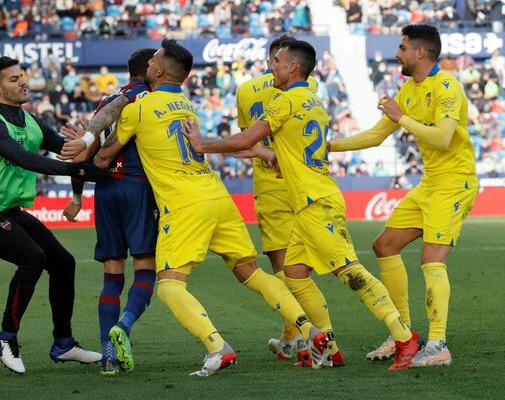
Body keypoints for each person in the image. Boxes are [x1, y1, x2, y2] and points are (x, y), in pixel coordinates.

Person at [92, 39, 331, 376]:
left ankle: (217, 347)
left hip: (185, 204)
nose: (151, 61)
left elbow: (103, 156)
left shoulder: (138, 109)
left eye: (155, 58)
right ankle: (311, 331)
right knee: (251, 271)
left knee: (170, 286)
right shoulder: (187, 106)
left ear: (158, 70)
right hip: (217, 196)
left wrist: (80, 151)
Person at [183, 39, 420, 371]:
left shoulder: (283, 101)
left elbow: (247, 137)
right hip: (311, 200)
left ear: (293, 66)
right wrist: (267, 155)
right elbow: (283, 151)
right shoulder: (313, 99)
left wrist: (203, 145)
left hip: (315, 201)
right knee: (293, 275)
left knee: (349, 270)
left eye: (277, 61)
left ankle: (404, 337)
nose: (272, 66)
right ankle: (331, 348)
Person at [329, 24, 477, 367]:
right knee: (385, 245)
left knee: (431, 260)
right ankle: (403, 333)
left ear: (420, 53)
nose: (398, 53)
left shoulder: (447, 87)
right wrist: (329, 146)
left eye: (402, 47)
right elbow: (377, 134)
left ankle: (438, 344)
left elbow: (441, 138)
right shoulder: (409, 88)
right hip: (429, 184)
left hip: (455, 182)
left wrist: (402, 117)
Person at [0, 56, 107, 375]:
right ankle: (6, 337)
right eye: (14, 79)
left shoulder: (31, 120)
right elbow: (24, 159)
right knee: (32, 257)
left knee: (63, 263)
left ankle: (63, 344)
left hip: (9, 211)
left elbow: (64, 148)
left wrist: (86, 141)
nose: (23, 81)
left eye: (22, 75)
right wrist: (76, 167)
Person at [235, 34, 344, 367]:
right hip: (308, 184)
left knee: (284, 272)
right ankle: (294, 340)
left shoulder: (247, 90)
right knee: (300, 272)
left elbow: (243, 144)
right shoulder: (307, 90)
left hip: (272, 189)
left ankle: (306, 341)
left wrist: (266, 152)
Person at [61, 48, 159, 376]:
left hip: (104, 191)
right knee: (145, 269)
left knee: (112, 275)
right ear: (150, 68)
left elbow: (81, 157)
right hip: (136, 186)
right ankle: (124, 327)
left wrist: (76, 198)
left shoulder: (106, 99)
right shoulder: (145, 96)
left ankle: (107, 355)